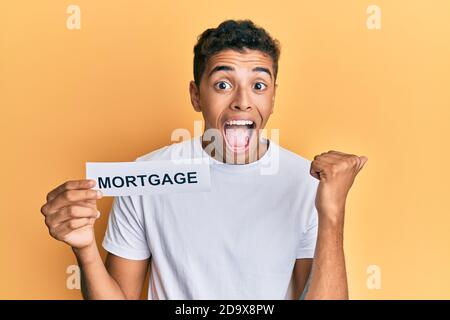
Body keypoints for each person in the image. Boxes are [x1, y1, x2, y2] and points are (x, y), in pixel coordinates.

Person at [40, 19, 368, 300]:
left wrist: (332, 213)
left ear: (272, 98)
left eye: (258, 85)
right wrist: (84, 250)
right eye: (223, 84)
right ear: (196, 95)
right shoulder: (144, 177)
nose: (242, 101)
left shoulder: (308, 182)